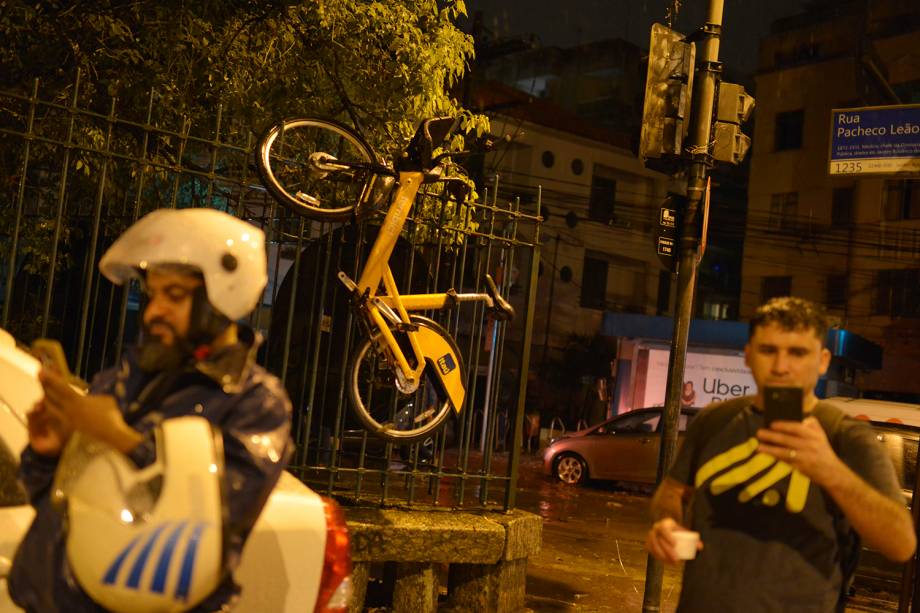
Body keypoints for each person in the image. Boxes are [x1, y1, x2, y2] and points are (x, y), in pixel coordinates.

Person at [10, 208, 293, 613]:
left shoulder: (255, 403)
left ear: (221, 298)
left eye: (174, 296)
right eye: (151, 294)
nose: (153, 311)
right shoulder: (125, 378)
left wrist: (120, 440)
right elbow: (62, 505)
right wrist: (47, 453)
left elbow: (210, 516)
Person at [646, 296, 915, 612]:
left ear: (823, 361)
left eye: (798, 353)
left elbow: (901, 544)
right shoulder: (714, 421)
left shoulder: (847, 438)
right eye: (768, 350)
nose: (781, 366)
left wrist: (830, 470)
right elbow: (673, 492)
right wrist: (667, 523)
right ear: (748, 355)